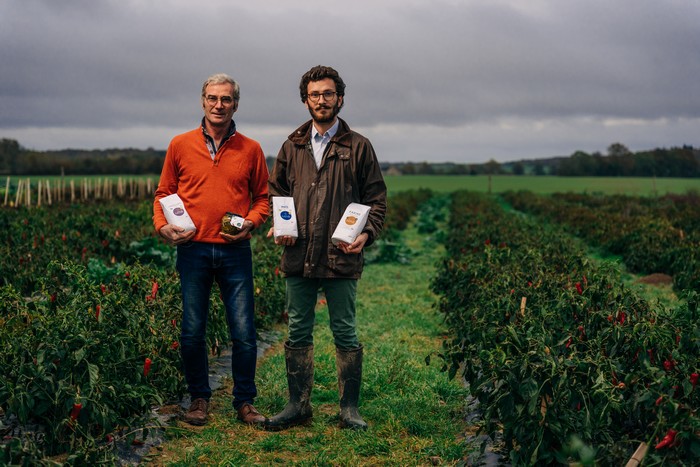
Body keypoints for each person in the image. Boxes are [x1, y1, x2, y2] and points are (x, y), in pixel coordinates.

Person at [266, 65, 387, 431]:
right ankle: (297, 405)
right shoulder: (292, 146)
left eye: (328, 94)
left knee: (345, 330)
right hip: (298, 254)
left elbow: (376, 199)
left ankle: (349, 409)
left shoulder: (359, 146)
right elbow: (277, 194)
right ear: (306, 100)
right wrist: (278, 225)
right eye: (315, 95)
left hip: (340, 255)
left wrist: (367, 233)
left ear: (340, 98)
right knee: (298, 330)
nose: (322, 100)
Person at [153, 73, 270, 427]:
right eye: (212, 98)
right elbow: (162, 195)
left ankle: (245, 402)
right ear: (202, 101)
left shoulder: (251, 149)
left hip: (235, 252)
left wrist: (250, 221)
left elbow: (263, 199)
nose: (219, 105)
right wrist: (162, 228)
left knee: (244, 331)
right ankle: (199, 399)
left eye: (226, 99)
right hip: (193, 250)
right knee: (192, 330)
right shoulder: (180, 145)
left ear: (236, 104)